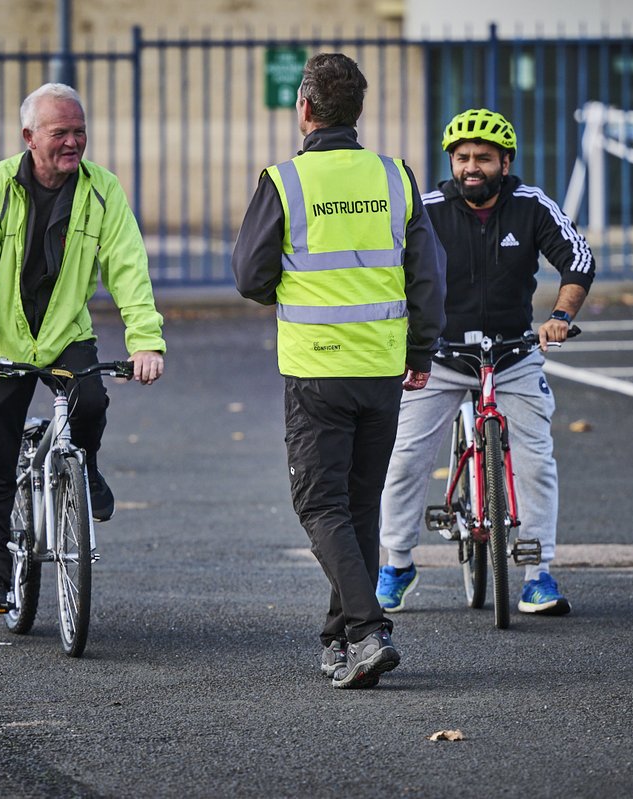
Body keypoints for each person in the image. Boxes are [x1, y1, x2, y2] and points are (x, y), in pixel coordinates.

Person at [231, 53, 446, 689]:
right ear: (357, 111)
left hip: (317, 370)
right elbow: (426, 275)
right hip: (382, 367)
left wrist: (283, 291)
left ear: (304, 109)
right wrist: (420, 350)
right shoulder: (395, 176)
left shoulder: (286, 180)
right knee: (356, 506)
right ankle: (340, 639)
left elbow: (249, 276)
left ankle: (367, 628)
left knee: (319, 504)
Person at [0, 82, 166, 612]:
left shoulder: (102, 191)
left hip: (66, 333)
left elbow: (129, 271)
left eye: (80, 131)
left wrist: (145, 342)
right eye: (59, 133)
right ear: (29, 137)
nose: (73, 142)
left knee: (91, 403)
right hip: (2, 341)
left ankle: (85, 465)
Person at [376, 108, 595, 617]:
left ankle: (537, 573)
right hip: (442, 357)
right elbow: (390, 267)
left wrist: (561, 315)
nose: (471, 167)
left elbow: (577, 259)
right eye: (462, 157)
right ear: (451, 161)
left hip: (515, 354)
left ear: (505, 162)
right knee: (405, 455)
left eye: (483, 158)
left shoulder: (531, 205)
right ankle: (397, 563)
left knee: (537, 458)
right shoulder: (426, 208)